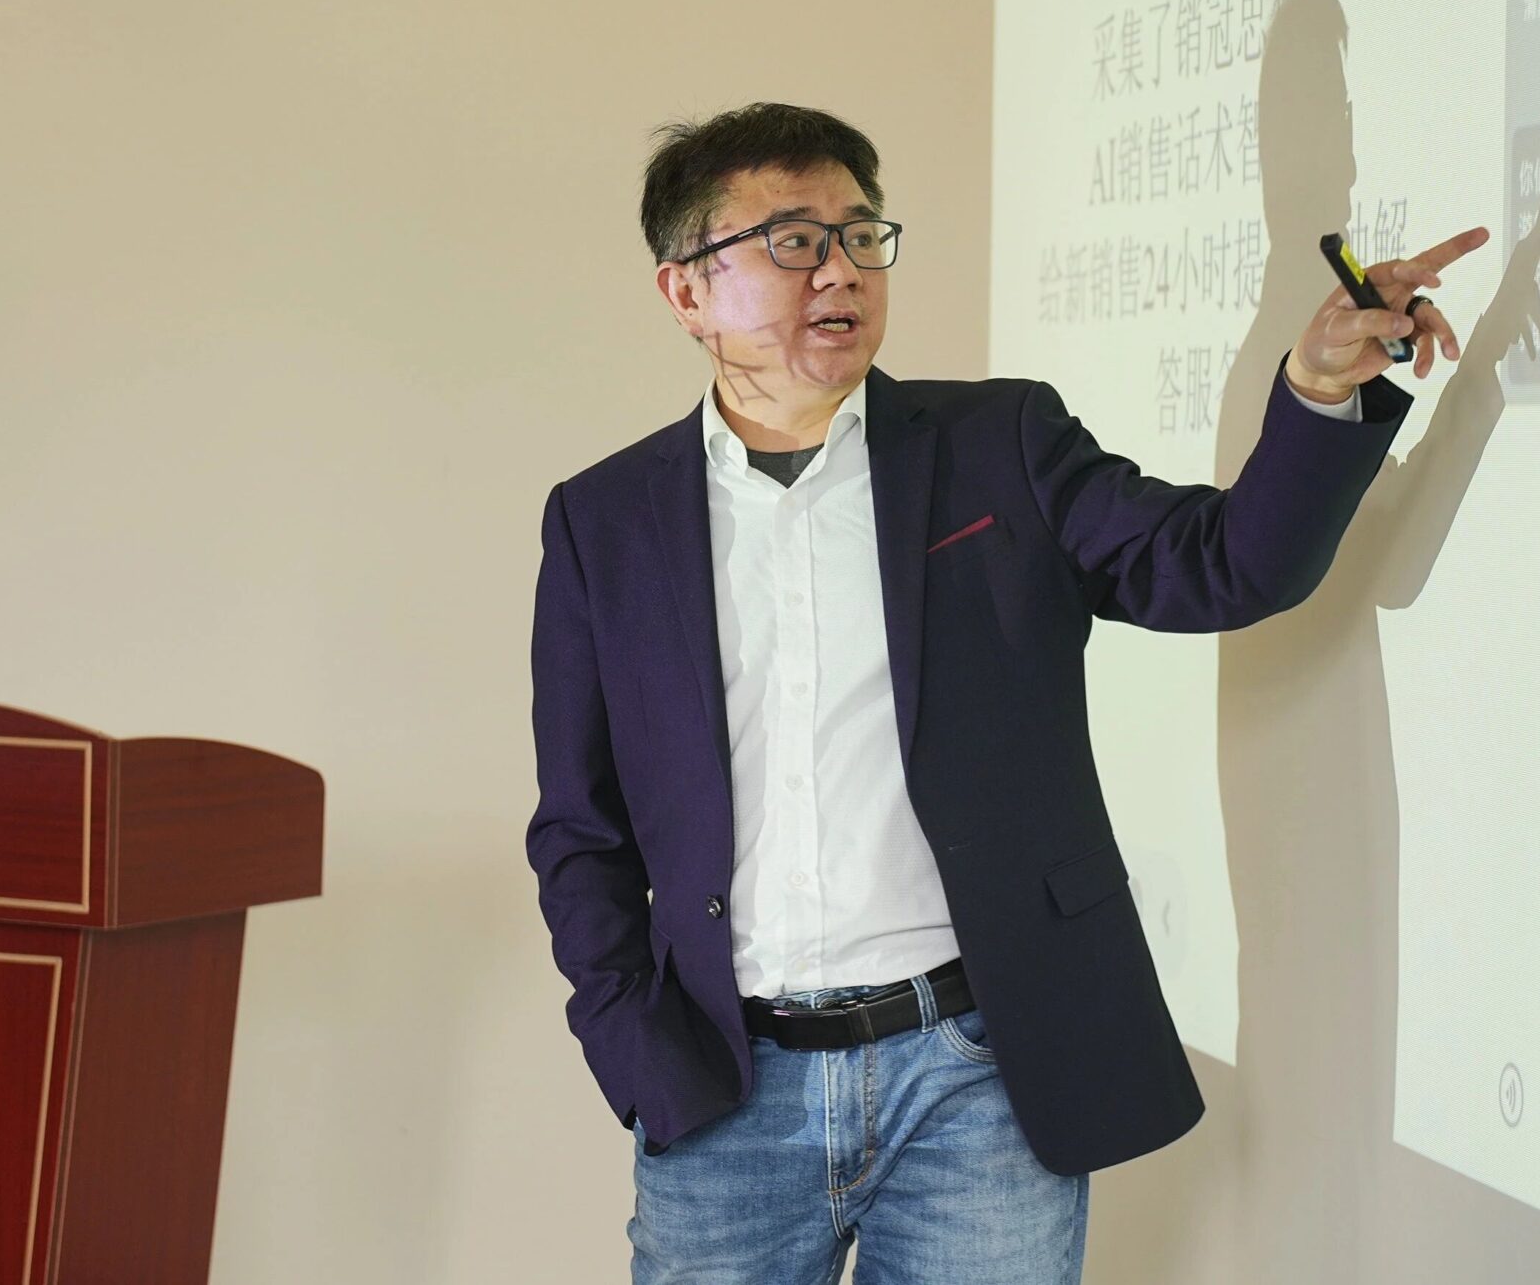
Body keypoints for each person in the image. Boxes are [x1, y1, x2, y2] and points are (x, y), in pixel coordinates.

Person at [525, 101, 1485, 1283]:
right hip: (726, 1087)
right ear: (685, 292)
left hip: (972, 1076)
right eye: (793, 241)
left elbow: (1224, 565)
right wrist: (633, 1046)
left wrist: (1321, 386)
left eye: (860, 235)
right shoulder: (604, 522)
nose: (840, 269)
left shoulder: (997, 444)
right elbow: (580, 827)